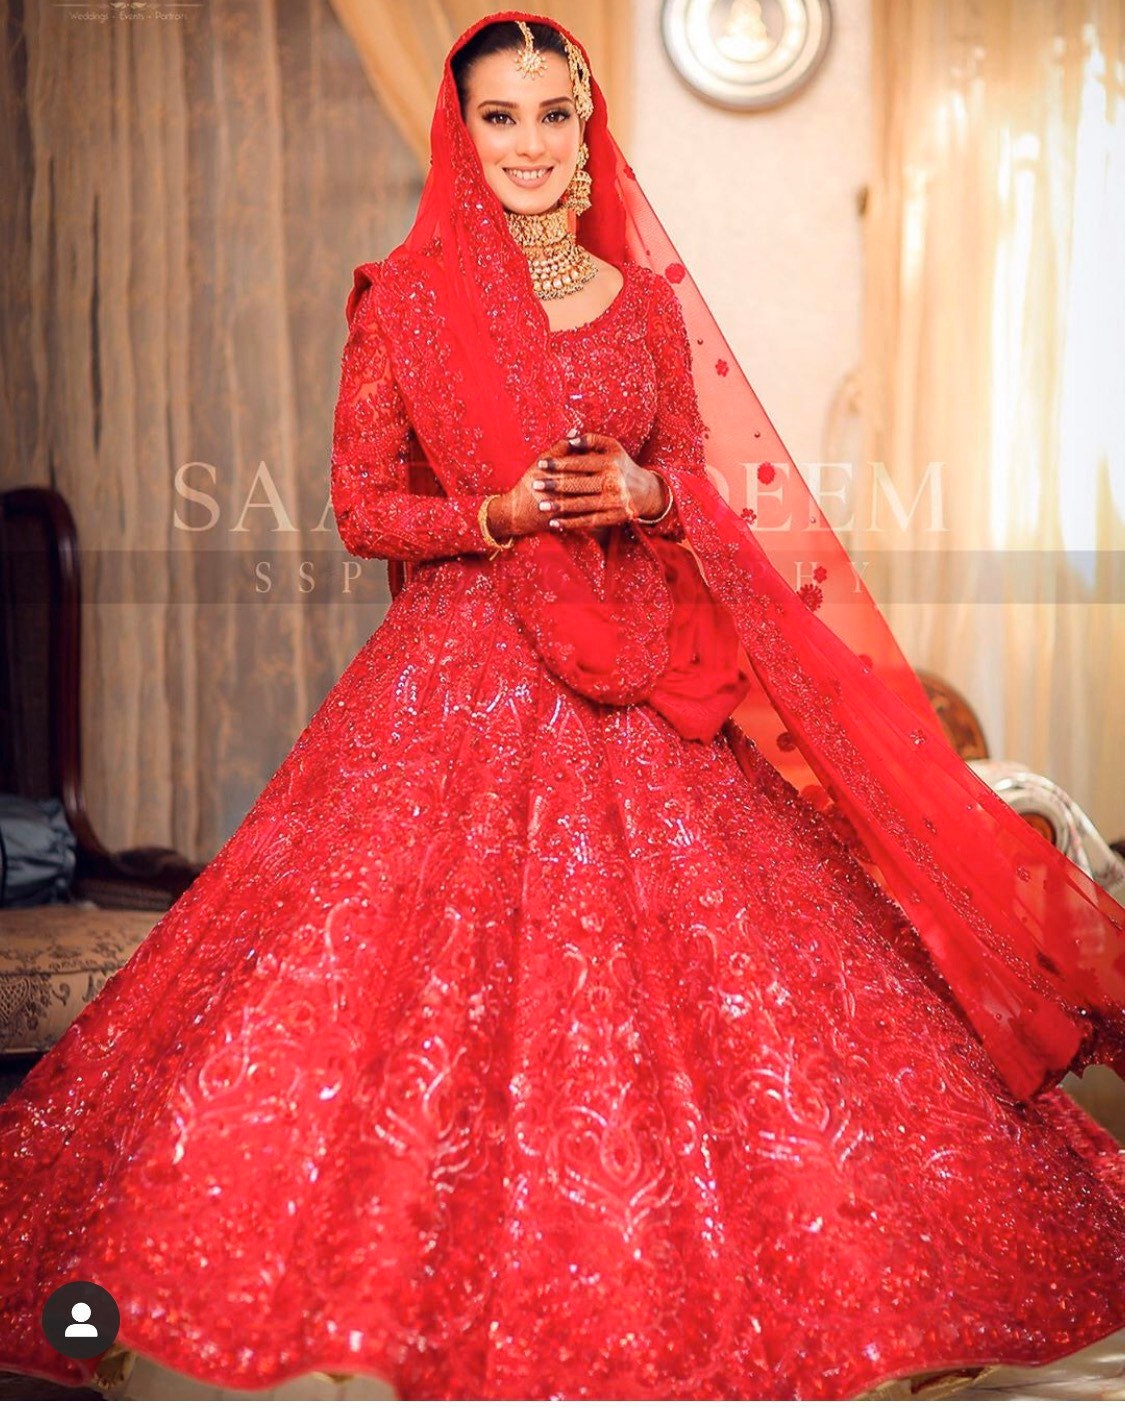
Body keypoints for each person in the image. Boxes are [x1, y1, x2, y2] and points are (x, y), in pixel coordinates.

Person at [1, 9, 1123, 1402]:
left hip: (640, 673)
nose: (528, 144)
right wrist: (498, 510)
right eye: (497, 117)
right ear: (458, 132)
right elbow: (362, 508)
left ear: (582, 133)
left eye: (550, 115)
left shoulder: (642, 303)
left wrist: (646, 495)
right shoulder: (403, 299)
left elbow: (698, 487)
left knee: (739, 989)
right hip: (462, 674)